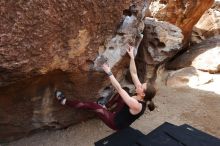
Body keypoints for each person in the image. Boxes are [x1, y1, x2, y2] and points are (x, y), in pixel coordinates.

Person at [55, 45, 156, 130]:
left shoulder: (136, 105)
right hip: (122, 112)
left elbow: (119, 88)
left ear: (142, 94)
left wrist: (109, 72)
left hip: (116, 123)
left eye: (141, 86)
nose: (139, 84)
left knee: (93, 106)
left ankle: (64, 101)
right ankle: (106, 107)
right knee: (124, 93)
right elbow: (134, 73)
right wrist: (132, 57)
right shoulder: (141, 95)